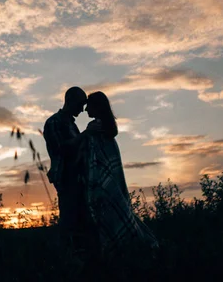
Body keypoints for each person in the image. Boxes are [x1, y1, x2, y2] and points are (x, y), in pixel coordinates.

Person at [78, 91, 159, 258]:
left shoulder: (94, 130)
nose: (85, 110)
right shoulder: (108, 130)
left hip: (103, 186)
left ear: (96, 107)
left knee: (108, 227)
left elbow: (92, 162)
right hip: (112, 185)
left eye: (89, 106)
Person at [43, 86, 89, 253]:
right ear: (70, 101)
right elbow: (60, 149)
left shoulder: (70, 124)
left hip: (78, 178)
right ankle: (67, 257)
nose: (83, 109)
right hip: (67, 178)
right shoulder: (54, 122)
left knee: (81, 220)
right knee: (70, 220)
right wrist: (85, 135)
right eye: (81, 104)